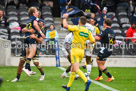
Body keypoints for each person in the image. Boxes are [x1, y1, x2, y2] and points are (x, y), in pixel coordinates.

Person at [62, 14, 95, 91]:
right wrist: (87, 44)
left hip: (75, 51)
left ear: (79, 21)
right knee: (73, 69)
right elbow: (93, 41)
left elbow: (65, 26)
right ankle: (68, 86)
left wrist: (64, 18)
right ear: (85, 23)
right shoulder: (87, 31)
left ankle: (86, 80)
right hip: (81, 51)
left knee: (76, 68)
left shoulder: (77, 28)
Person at [22, 7, 45, 76]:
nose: (37, 12)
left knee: (28, 54)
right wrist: (41, 32)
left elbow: (24, 29)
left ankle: (28, 69)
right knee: (32, 52)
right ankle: (26, 67)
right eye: (36, 11)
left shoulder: (29, 19)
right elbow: (35, 24)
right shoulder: (34, 19)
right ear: (33, 13)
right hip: (31, 37)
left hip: (26, 37)